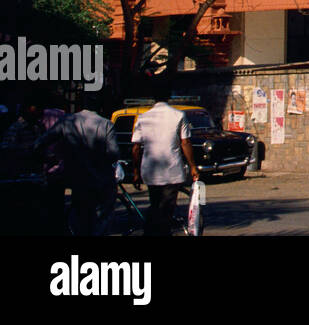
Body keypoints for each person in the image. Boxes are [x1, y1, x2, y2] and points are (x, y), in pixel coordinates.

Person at [36, 106, 119, 236]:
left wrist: (50, 158)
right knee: (102, 218)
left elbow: (40, 143)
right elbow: (113, 153)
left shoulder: (67, 121)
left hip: (78, 178)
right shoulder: (105, 123)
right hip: (102, 179)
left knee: (82, 218)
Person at [131, 84, 200, 235]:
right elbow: (185, 143)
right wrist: (193, 166)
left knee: (155, 205)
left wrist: (135, 171)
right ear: (169, 96)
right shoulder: (178, 115)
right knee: (166, 210)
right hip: (172, 170)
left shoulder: (143, 117)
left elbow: (136, 147)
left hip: (150, 171)